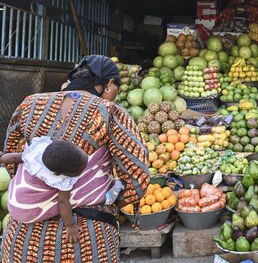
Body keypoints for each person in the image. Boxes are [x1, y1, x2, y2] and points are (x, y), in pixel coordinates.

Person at [1, 55, 150, 263]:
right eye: (117, 86)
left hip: (25, 238)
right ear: (107, 84)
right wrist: (108, 203)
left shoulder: (29, 104)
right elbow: (138, 178)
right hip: (86, 235)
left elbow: (13, 159)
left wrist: (37, 193)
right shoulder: (109, 112)